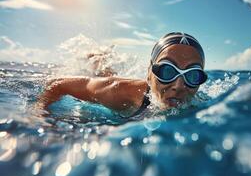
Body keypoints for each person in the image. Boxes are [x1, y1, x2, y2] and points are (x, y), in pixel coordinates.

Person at [37, 32, 207, 117]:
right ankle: (99, 59)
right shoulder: (123, 93)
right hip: (113, 85)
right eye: (167, 70)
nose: (179, 86)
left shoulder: (202, 105)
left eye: (192, 75)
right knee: (101, 75)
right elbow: (58, 83)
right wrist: (39, 116)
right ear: (149, 73)